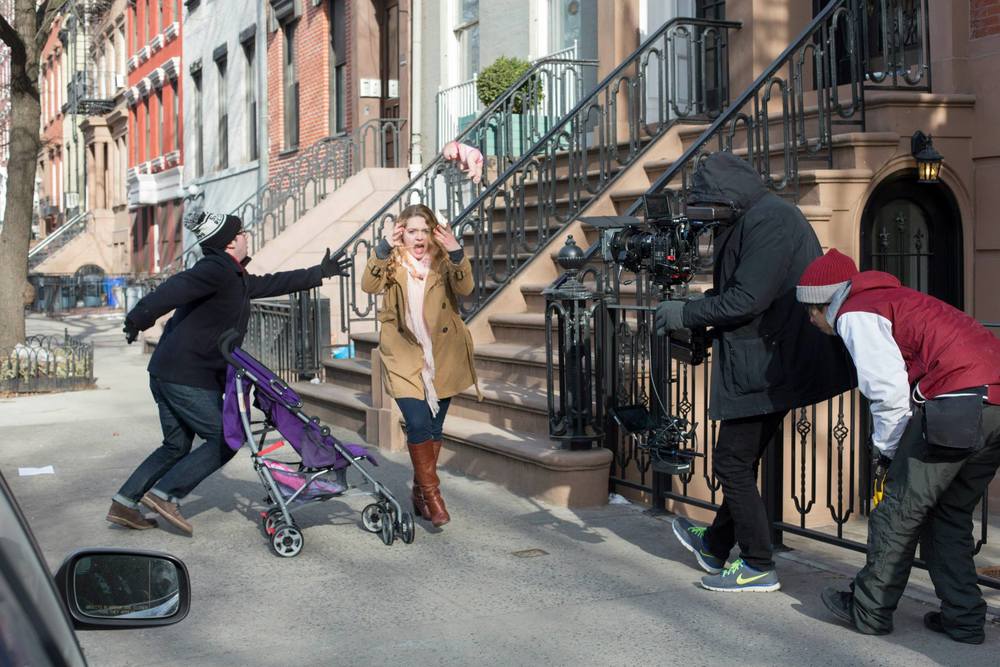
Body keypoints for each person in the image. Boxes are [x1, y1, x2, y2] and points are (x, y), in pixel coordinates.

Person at [656, 151, 855, 592]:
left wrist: (686, 313)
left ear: (728, 196)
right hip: (767, 357)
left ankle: (758, 563)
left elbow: (747, 298)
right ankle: (714, 543)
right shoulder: (753, 216)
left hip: (773, 363)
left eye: (709, 205)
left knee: (730, 461)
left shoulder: (771, 221)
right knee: (740, 460)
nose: (708, 216)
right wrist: (702, 317)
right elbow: (738, 290)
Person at [796, 249, 1000, 644]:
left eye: (812, 311)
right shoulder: (900, 299)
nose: (811, 320)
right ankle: (964, 618)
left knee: (897, 512)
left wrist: (888, 452)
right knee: (948, 514)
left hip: (954, 406)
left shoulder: (857, 313)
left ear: (826, 303)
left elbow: (886, 392)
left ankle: (868, 610)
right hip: (994, 405)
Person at [106, 211, 351, 534]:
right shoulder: (214, 270)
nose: (247, 236)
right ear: (231, 241)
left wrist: (319, 272)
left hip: (170, 370)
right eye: (243, 232)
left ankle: (124, 503)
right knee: (225, 439)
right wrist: (139, 318)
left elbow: (271, 283)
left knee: (176, 446)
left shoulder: (231, 276)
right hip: (187, 375)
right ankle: (166, 495)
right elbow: (174, 289)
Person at [361, 203, 480, 528]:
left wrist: (456, 252)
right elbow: (368, 287)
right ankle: (434, 495)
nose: (418, 237)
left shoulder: (444, 261)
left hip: (442, 353)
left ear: (432, 233)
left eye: (424, 231)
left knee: (434, 427)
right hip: (403, 353)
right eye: (411, 231)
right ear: (403, 232)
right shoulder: (392, 262)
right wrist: (384, 247)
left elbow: (466, 290)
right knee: (417, 423)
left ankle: (418, 491)